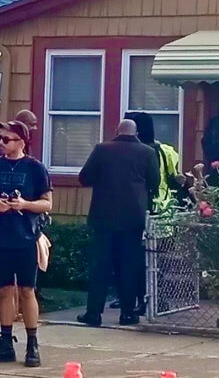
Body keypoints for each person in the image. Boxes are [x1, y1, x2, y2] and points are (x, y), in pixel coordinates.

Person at [0, 121, 52, 369]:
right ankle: (5, 342)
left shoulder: (35, 168)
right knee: (5, 290)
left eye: (6, 139)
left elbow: (47, 203)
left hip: (26, 237)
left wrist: (25, 204)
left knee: (27, 291)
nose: (1, 142)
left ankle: (32, 344)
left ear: (21, 141)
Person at [77, 119, 160, 328]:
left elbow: (84, 178)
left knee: (100, 267)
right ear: (136, 132)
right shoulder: (148, 153)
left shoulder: (102, 149)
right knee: (129, 266)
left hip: (103, 218)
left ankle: (93, 314)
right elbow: (155, 182)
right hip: (133, 219)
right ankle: (127, 313)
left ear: (117, 130)